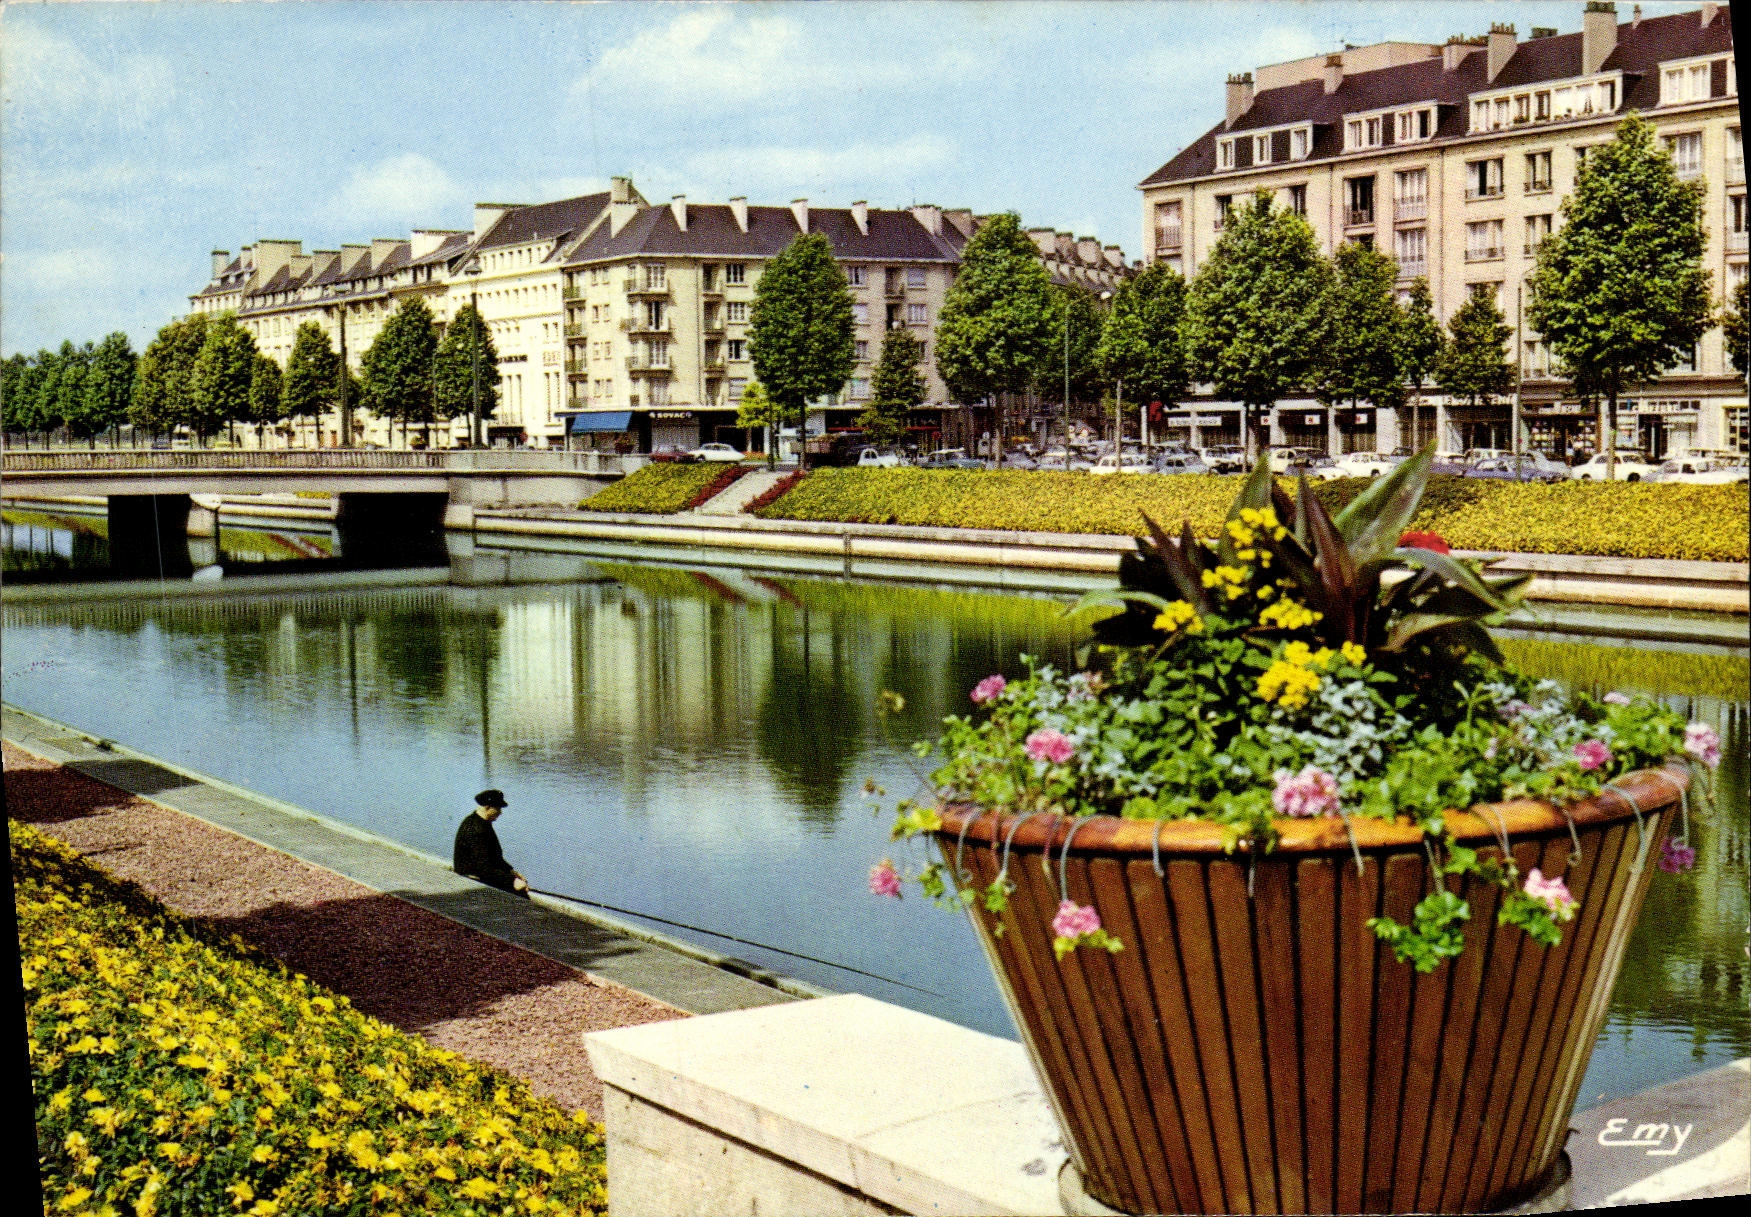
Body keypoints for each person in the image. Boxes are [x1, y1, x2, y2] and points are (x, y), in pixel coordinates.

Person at [453, 789, 528, 897]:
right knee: (521, 896)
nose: (500, 812)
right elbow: (483, 867)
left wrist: (511, 871)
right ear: (487, 807)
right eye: (498, 808)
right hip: (472, 880)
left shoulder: (479, 822)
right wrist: (512, 881)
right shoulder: (476, 830)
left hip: (481, 875)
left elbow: (494, 857)